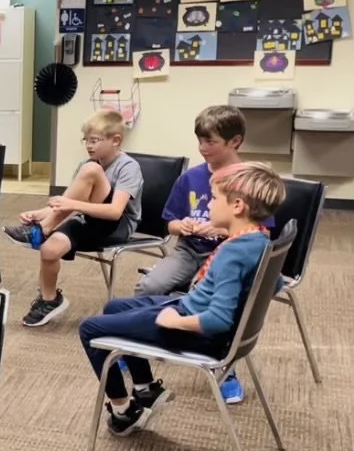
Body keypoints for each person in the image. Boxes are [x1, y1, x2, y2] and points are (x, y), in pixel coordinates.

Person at [78, 162, 286, 436]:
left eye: (213, 198)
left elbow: (218, 319)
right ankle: (145, 389)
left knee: (89, 328)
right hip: (191, 309)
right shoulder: (259, 240)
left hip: (193, 330)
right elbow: (277, 282)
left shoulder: (232, 254)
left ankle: (123, 410)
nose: (208, 204)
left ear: (237, 206)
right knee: (114, 307)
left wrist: (175, 322)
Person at [135, 105, 269, 404]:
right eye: (200, 141)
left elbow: (260, 231)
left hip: (230, 254)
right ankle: (137, 349)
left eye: (211, 142)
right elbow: (168, 221)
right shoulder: (190, 178)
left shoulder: (251, 181)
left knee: (222, 305)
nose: (202, 148)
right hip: (188, 249)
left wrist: (222, 231)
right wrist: (180, 225)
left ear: (235, 142)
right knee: (149, 287)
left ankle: (226, 367)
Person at [3, 109, 144, 327]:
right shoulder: (87, 163)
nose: (89, 145)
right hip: (89, 218)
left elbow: (115, 211)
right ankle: (49, 300)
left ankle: (43, 229)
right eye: (86, 140)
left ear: (116, 140)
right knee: (49, 249)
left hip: (117, 226)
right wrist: (39, 213)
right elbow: (67, 203)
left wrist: (71, 206)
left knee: (91, 169)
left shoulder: (128, 166)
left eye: (95, 140)